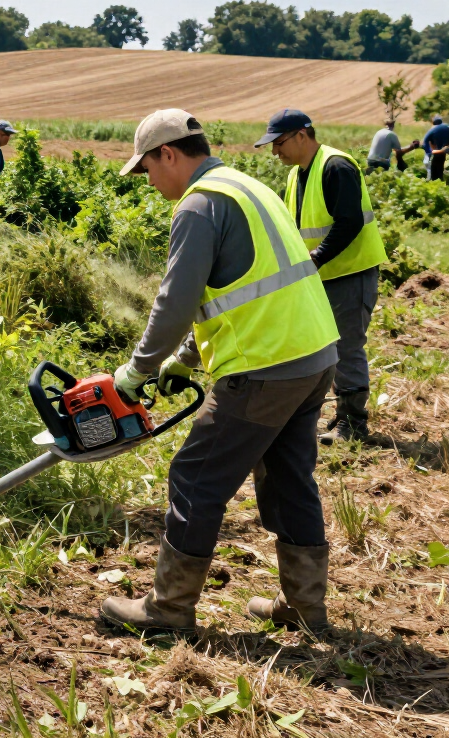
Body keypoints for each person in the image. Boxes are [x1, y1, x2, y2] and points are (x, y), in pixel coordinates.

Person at [101, 109, 339, 635]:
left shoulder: (198, 205)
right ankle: (305, 606)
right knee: (288, 476)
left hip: (264, 367)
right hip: (315, 356)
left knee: (195, 476)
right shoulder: (248, 188)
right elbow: (239, 288)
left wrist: (136, 372)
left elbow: (175, 301)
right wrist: (182, 359)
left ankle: (168, 610)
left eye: (147, 170)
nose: (150, 183)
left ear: (168, 154)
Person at [257, 109, 387, 445]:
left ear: (303, 134)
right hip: (322, 276)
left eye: (279, 142)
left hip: (349, 273)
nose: (275, 152)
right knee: (324, 347)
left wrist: (315, 259)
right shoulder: (297, 173)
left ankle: (354, 424)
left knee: (346, 347)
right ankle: (340, 416)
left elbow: (350, 222)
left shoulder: (336, 166)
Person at [424, 115, 449, 181]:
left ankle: (436, 181)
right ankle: (439, 180)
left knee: (435, 168)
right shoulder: (447, 126)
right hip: (443, 150)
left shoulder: (432, 129)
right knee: (440, 166)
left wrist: (428, 152)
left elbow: (425, 140)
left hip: (437, 152)